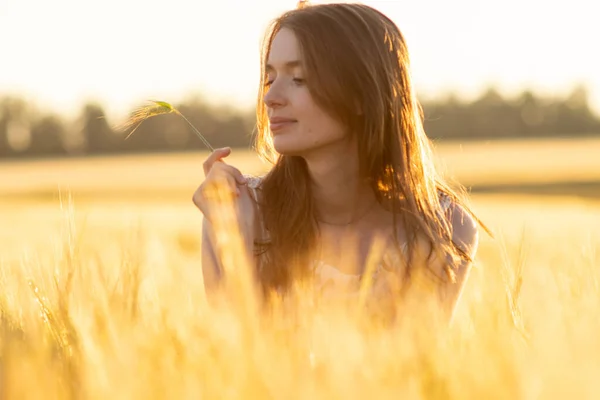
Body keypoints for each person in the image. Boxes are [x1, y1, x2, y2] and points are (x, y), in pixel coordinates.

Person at [193, 1, 488, 323]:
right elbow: (234, 363)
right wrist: (236, 242)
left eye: (299, 79)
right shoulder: (237, 208)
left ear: (363, 94)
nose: (270, 97)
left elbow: (408, 369)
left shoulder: (440, 228)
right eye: (270, 77)